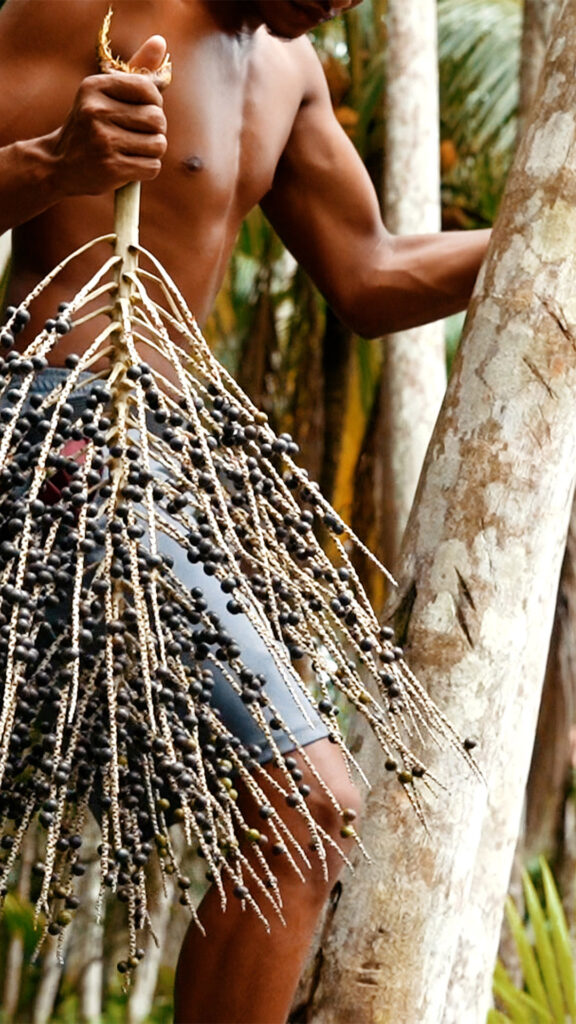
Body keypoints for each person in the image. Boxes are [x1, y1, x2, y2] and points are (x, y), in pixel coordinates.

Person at [0, 1, 490, 1021]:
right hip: (60, 434)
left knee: (304, 813)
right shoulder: (84, 10)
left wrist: (538, 233)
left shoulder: (289, 69)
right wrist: (55, 163)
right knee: (309, 801)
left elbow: (370, 276)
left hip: (177, 462)